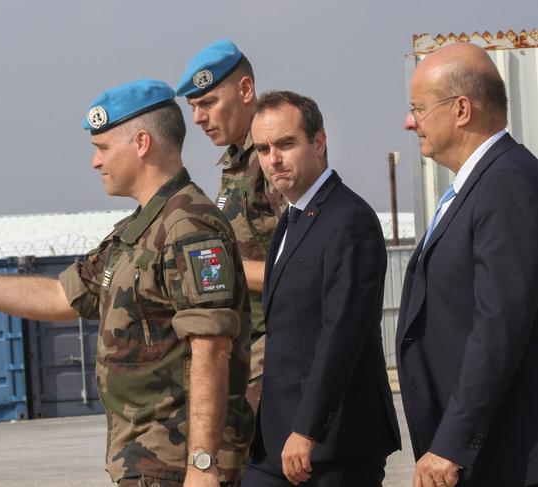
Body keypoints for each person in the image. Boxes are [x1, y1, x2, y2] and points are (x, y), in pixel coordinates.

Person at [0, 79, 254, 487]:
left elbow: (211, 349)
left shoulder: (188, 227)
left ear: (142, 143)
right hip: (148, 463)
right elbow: (61, 294)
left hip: (177, 464)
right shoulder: (138, 229)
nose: (95, 163)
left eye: (102, 149)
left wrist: (202, 466)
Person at [241, 90, 400, 487]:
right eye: (263, 148)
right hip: (276, 443)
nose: (273, 159)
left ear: (319, 142)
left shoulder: (349, 220)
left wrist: (308, 429)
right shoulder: (290, 223)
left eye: (285, 144)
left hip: (334, 447)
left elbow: (342, 331)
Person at [397, 42, 538, 487]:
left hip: (504, 456)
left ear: (461, 109)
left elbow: (500, 325)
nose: (409, 121)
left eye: (418, 108)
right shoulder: (480, 184)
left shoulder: (506, 184)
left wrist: (452, 443)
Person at [176, 39, 286, 411]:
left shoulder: (273, 161)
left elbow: (306, 266)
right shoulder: (237, 164)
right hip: (248, 351)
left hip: (278, 356)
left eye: (208, 103)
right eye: (193, 107)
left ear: (245, 90)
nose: (198, 119)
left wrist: (223, 267)